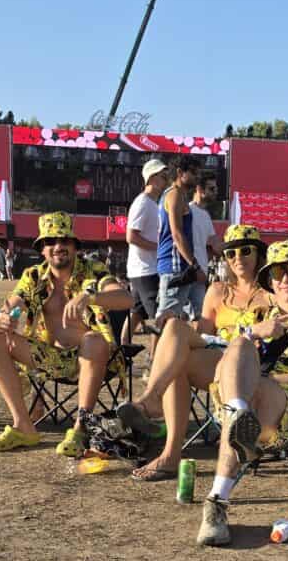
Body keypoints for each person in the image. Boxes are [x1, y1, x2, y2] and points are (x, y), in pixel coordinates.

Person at [197, 240, 288, 546]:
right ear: (270, 282)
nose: (285, 278)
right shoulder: (257, 317)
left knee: (253, 393)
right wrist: (253, 333)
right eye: (277, 273)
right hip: (242, 402)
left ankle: (216, 503)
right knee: (239, 345)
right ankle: (240, 418)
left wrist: (273, 378)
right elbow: (225, 363)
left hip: (287, 414)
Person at [114, 224, 273, 480]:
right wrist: (185, 323)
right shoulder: (218, 291)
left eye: (245, 251)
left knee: (178, 361)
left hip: (249, 366)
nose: (237, 258)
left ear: (258, 254)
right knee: (175, 329)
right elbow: (205, 334)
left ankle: (164, 440)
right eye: (230, 253)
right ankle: (155, 408)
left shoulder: (271, 293)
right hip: (218, 358)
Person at [0, 212, 132, 456]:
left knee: (93, 339)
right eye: (50, 241)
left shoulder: (93, 271)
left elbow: (125, 298)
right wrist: (1, 319)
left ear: (75, 246)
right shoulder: (33, 276)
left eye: (65, 240)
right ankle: (23, 426)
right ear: (42, 249)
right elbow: (7, 308)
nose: (58, 246)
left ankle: (81, 428)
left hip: (92, 359)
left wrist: (90, 297)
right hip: (48, 358)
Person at [155, 156, 204, 327]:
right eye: (194, 172)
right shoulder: (174, 194)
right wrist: (195, 265)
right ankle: (157, 348)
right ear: (180, 172)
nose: (197, 176)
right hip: (175, 267)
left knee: (196, 316)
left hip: (181, 267)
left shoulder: (176, 195)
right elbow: (177, 233)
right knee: (167, 320)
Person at [125, 158, 168, 337]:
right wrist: (159, 248)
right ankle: (158, 352)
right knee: (160, 317)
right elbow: (131, 236)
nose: (166, 180)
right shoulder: (142, 203)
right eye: (162, 176)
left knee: (136, 313)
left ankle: (121, 346)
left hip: (143, 269)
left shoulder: (152, 203)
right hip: (146, 270)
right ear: (151, 178)